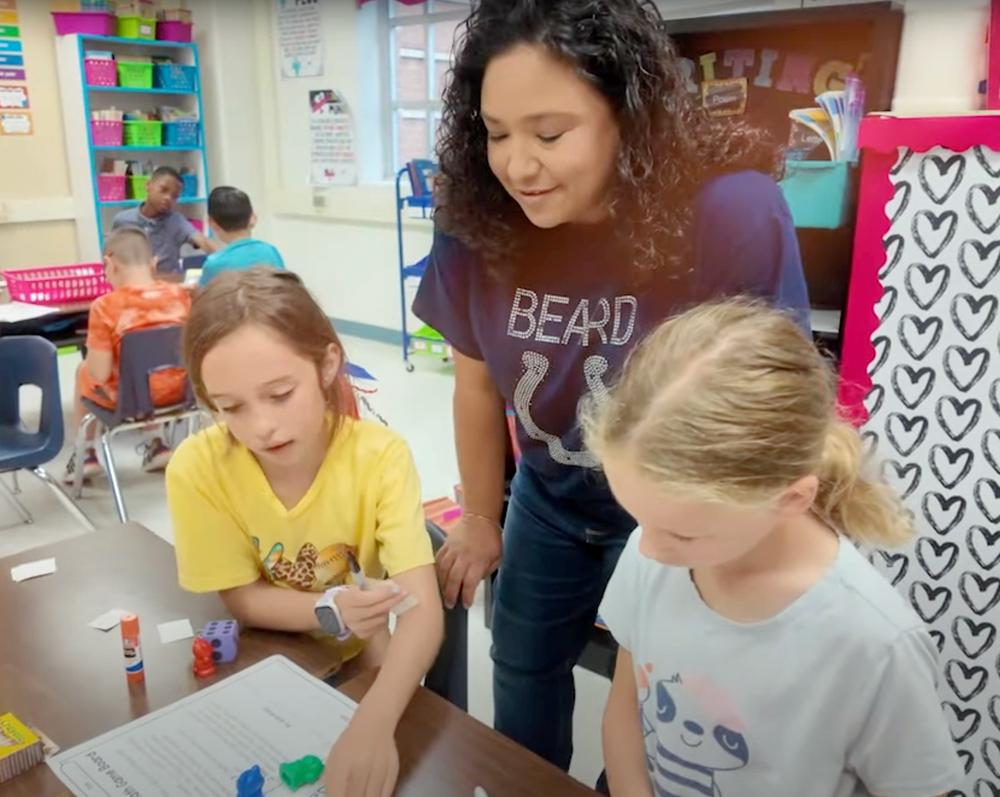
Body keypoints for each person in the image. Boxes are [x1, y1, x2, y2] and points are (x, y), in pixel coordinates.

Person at [412, 0, 810, 770]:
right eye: (496, 133)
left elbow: (772, 408)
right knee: (521, 670)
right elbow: (474, 385)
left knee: (670, 700)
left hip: (678, 513)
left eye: (550, 133)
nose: (517, 165)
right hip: (550, 497)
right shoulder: (475, 218)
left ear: (626, 114)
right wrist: (480, 517)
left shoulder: (728, 211)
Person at [582, 301, 961, 797]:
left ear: (790, 499)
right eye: (640, 519)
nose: (648, 548)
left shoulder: (874, 646)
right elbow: (626, 711)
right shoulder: (651, 555)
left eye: (684, 533)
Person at [166, 267, 444, 797]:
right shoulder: (198, 468)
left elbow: (422, 612)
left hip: (369, 661)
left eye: (279, 394)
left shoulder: (380, 457)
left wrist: (373, 721)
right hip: (274, 658)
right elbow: (242, 598)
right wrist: (329, 608)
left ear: (327, 364)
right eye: (231, 408)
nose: (261, 427)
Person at [63, 228, 191, 483]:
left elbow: (99, 374)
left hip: (130, 401)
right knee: (151, 372)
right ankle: (156, 443)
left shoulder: (105, 306)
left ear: (109, 264)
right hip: (182, 393)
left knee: (84, 372)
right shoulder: (181, 295)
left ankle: (85, 453)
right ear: (154, 263)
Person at [112, 166, 219, 274]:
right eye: (163, 190)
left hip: (168, 282)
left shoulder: (176, 220)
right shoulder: (123, 220)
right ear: (148, 185)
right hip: (134, 282)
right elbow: (112, 255)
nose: (168, 198)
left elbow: (202, 240)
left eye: (174, 196)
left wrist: (228, 258)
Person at [200, 186, 285, 286]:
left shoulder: (214, 264)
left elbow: (204, 297)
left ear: (211, 223)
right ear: (253, 218)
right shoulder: (270, 252)